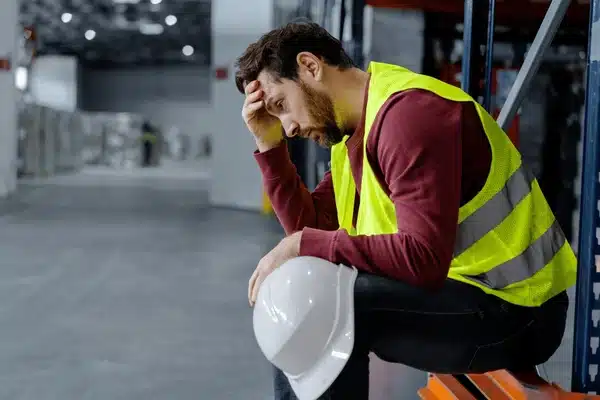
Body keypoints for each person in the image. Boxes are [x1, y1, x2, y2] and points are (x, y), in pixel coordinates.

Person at [235, 21, 576, 400]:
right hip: (465, 296)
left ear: (310, 66)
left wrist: (302, 243)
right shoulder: (352, 133)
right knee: (301, 291)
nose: (289, 127)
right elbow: (308, 229)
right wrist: (269, 146)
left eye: (282, 106)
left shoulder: (410, 115)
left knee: (316, 310)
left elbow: (422, 258)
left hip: (518, 312)